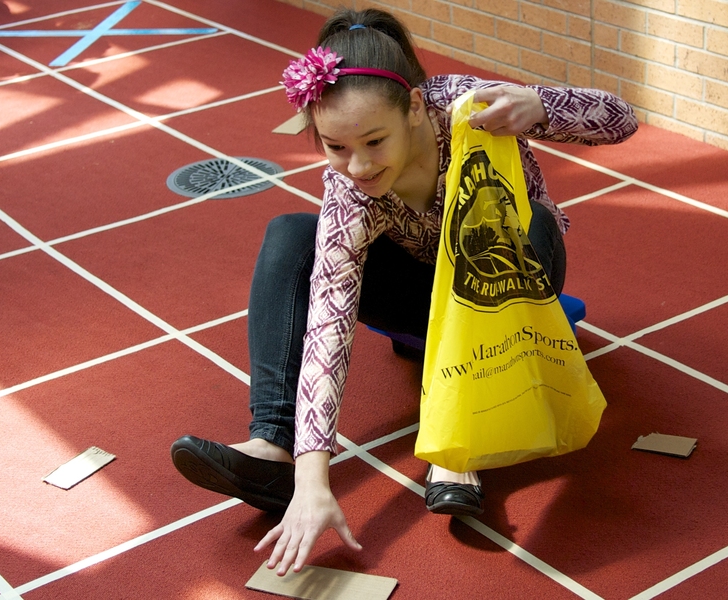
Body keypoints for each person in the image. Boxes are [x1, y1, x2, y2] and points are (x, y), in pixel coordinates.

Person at [171, 7, 636, 576]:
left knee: (528, 218)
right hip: (421, 294)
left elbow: (622, 120)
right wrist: (315, 479)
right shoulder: (349, 191)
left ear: (414, 107)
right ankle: (273, 448)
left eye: (373, 141)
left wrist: (539, 106)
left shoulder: (468, 108)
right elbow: (327, 323)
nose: (358, 165)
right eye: (335, 147)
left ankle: (460, 443)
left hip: (511, 276)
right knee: (292, 234)